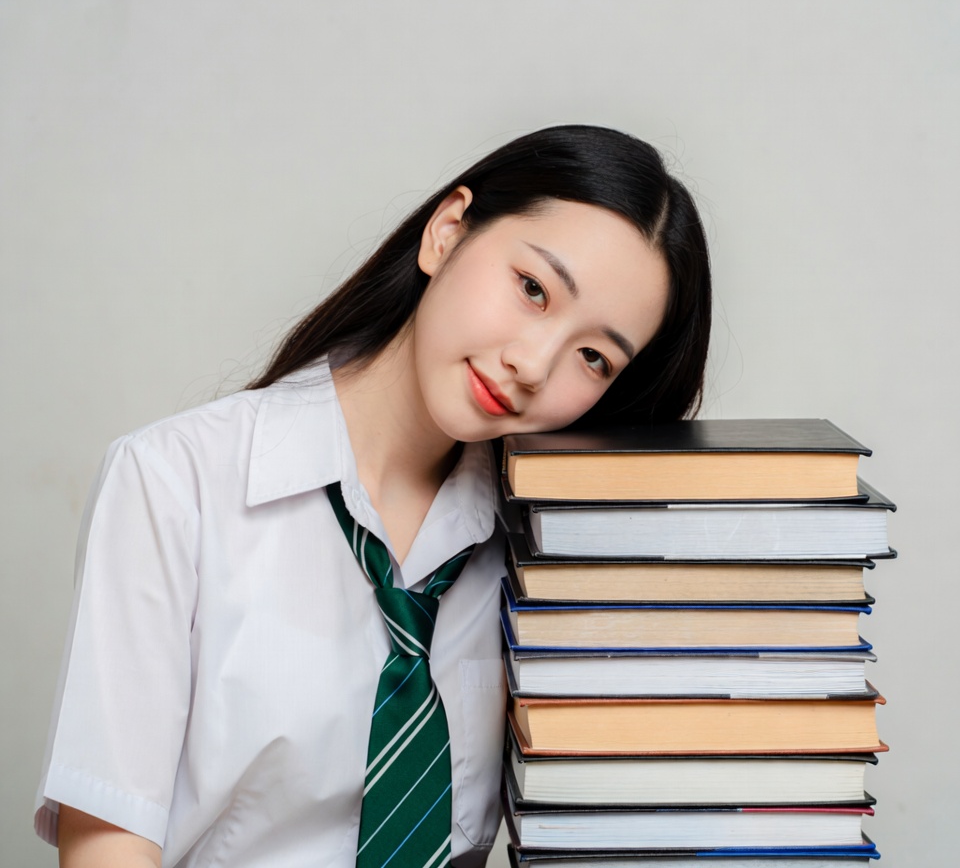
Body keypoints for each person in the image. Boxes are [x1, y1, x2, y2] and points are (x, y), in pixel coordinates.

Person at [35, 124, 712, 868]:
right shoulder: (173, 483)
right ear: (447, 233)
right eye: (532, 289)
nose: (532, 363)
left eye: (593, 357)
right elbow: (108, 838)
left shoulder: (542, 554)